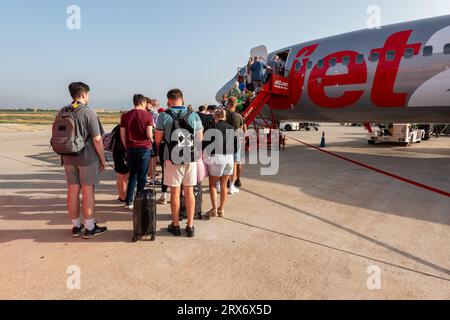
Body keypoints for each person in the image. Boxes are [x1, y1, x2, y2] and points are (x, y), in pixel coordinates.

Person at [61, 82, 108, 239]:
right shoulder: (88, 112)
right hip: (86, 158)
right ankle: (89, 227)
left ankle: (75, 226)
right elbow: (97, 138)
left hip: (67, 157)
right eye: (87, 94)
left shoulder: (63, 111)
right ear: (83, 94)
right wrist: (102, 159)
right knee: (88, 191)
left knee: (73, 190)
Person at [155, 89, 203, 238]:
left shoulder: (164, 116)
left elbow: (157, 139)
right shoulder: (194, 115)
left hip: (171, 157)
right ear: (182, 99)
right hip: (190, 157)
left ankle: (175, 225)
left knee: (175, 192)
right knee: (189, 191)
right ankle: (190, 226)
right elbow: (200, 138)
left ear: (169, 101)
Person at [120, 94, 154, 210]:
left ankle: (128, 202)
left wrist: (127, 147)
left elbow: (122, 135)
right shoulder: (148, 115)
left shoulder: (125, 116)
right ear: (143, 102)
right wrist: (152, 141)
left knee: (132, 176)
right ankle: (139, 199)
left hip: (130, 148)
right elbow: (149, 134)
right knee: (142, 176)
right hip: (144, 148)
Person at [204, 110, 235, 219]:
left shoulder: (213, 127)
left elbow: (206, 144)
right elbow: (235, 144)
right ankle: (221, 209)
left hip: (217, 157)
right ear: (225, 117)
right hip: (229, 158)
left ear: (216, 116)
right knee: (223, 185)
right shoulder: (231, 128)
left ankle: (214, 209)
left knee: (212, 184)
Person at [226, 97, 245, 194]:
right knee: (235, 163)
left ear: (227, 104)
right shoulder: (239, 116)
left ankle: (224, 183)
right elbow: (241, 129)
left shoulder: (223, 114)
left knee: (224, 163)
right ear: (235, 104)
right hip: (236, 141)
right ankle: (234, 183)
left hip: (224, 141)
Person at [111, 120, 128, 203]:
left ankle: (121, 196)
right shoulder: (125, 128)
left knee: (119, 176)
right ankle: (124, 197)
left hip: (116, 153)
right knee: (124, 176)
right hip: (123, 153)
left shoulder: (116, 127)